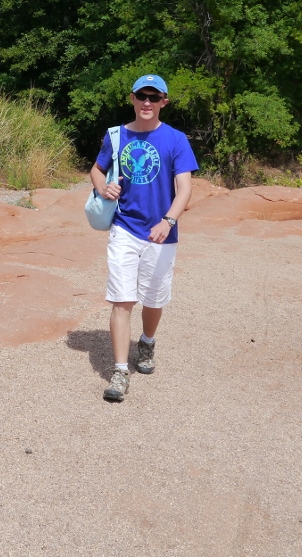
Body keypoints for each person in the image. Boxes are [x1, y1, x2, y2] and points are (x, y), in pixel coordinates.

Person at [89, 75, 198, 403]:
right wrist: (101, 187)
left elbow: (186, 188)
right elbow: (96, 169)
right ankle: (120, 370)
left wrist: (169, 220)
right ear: (132, 98)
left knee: (153, 299)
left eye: (154, 97)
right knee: (122, 299)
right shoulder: (117, 136)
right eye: (141, 96)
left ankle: (147, 341)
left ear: (164, 101)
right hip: (124, 228)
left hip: (161, 233)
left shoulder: (176, 140)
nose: (147, 102)